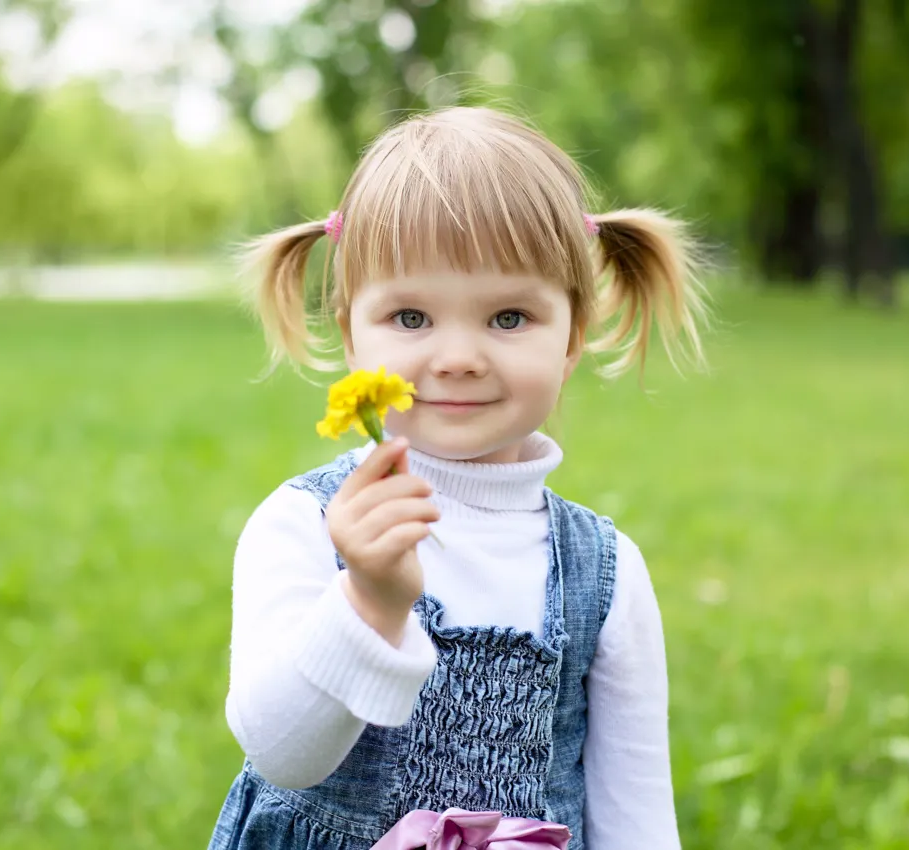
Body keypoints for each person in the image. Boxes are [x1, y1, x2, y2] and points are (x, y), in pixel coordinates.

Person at [208, 106, 708, 850]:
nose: (458, 357)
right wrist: (368, 602)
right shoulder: (304, 527)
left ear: (571, 337)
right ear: (351, 336)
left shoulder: (605, 575)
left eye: (508, 318)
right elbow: (283, 755)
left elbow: (637, 819)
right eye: (411, 318)